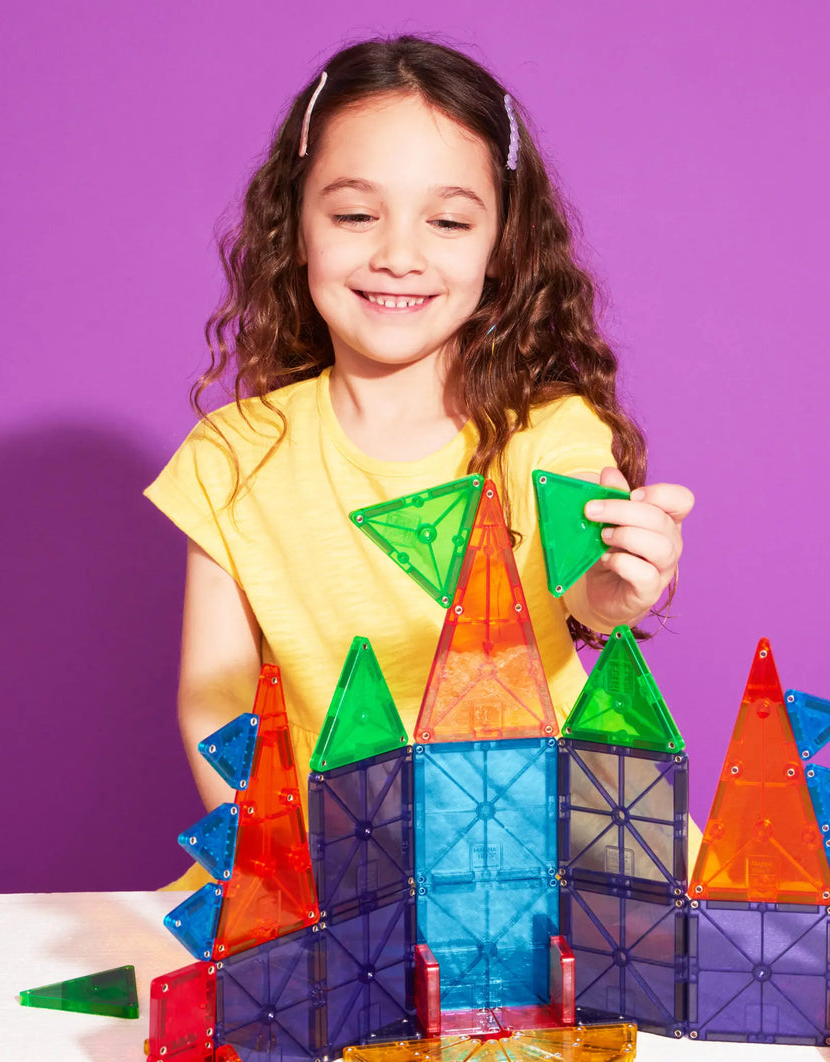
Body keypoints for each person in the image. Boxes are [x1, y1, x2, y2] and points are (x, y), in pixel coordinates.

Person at [145, 36, 695, 890]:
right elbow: (213, 700)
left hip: (541, 867)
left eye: (447, 220)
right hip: (326, 876)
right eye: (357, 214)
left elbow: (586, 581)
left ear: (500, 249)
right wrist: (273, 874)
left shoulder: (546, 434)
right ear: (295, 228)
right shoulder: (231, 459)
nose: (399, 254)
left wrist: (617, 588)